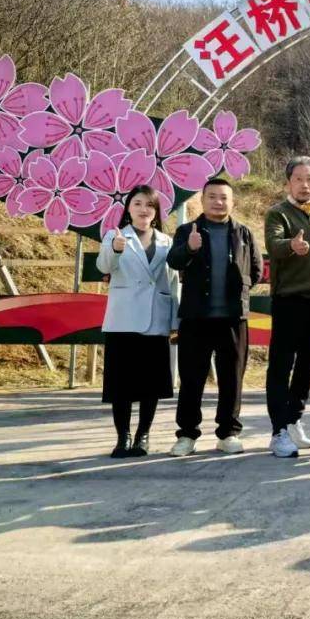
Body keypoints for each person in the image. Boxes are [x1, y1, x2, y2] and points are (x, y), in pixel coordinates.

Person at [167, 178, 263, 456]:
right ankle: (187, 435)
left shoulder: (243, 233)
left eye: (224, 198)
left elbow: (256, 269)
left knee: (232, 378)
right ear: (202, 200)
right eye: (212, 197)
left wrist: (238, 291)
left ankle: (228, 433)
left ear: (232, 202)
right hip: (196, 317)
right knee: (191, 379)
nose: (218, 202)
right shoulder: (187, 230)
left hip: (233, 318)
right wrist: (190, 248)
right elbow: (173, 261)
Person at [96, 186, 179, 458]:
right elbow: (103, 266)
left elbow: (173, 283)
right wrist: (115, 250)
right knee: (121, 384)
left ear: (156, 211)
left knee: (150, 385)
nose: (144, 209)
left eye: (149, 205)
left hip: (156, 319)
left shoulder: (167, 242)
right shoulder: (115, 236)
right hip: (123, 319)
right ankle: (123, 437)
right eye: (138, 203)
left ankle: (143, 436)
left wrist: (174, 320)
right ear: (128, 208)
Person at [264, 156, 310, 458]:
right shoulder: (278, 213)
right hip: (289, 301)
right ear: (288, 183)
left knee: (308, 365)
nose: (305, 185)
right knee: (282, 365)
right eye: (299, 179)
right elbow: (273, 245)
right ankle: (278, 430)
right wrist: (291, 245)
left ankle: (294, 419)